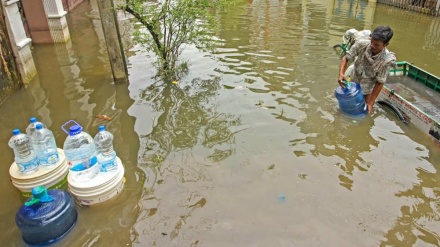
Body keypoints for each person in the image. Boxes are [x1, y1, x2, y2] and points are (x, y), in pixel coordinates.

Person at [338, 26, 396, 114]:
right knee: (345, 106)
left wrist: (370, 103)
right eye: (372, 42)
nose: (372, 45)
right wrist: (341, 74)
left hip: (367, 89)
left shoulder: (386, 60)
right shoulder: (361, 44)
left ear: (385, 45)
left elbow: (380, 82)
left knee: (363, 112)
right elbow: (346, 58)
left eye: (376, 44)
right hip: (353, 80)